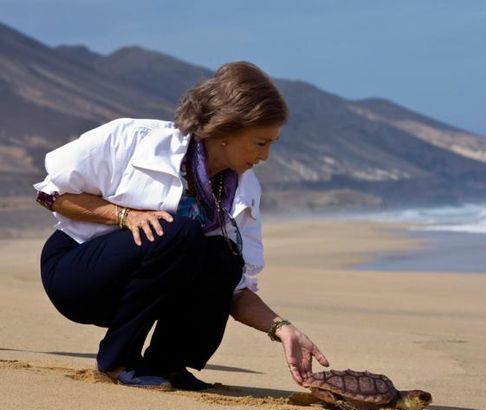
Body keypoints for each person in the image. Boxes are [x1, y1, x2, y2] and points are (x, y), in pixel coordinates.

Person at [33, 61, 329, 391]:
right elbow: (51, 195)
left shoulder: (245, 190)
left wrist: (282, 328)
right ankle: (118, 361)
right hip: (77, 271)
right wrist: (124, 216)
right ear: (225, 131)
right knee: (181, 232)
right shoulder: (134, 138)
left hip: (142, 289)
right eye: (261, 143)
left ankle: (167, 365)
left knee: (224, 255)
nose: (266, 155)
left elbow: (235, 288)